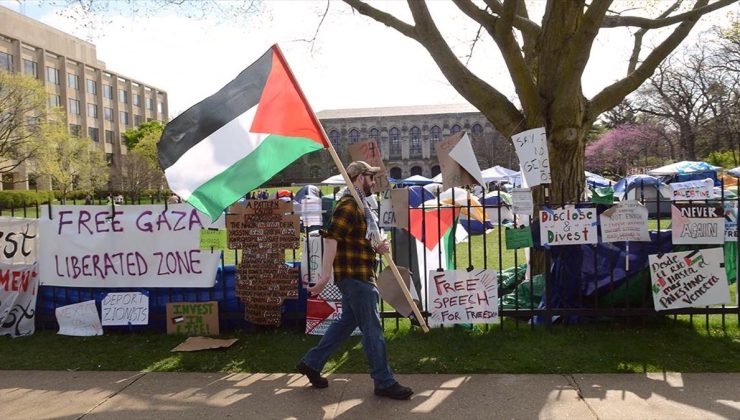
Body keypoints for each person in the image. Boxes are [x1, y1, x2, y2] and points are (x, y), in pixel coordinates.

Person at [296, 160, 413, 400]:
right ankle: (384, 381)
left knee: (345, 324)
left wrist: (376, 247)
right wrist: (324, 276)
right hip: (355, 277)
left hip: (359, 274)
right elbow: (331, 239)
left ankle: (311, 363)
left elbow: (355, 241)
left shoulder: (360, 205)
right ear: (360, 177)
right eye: (371, 177)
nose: (373, 182)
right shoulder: (349, 205)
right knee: (373, 330)